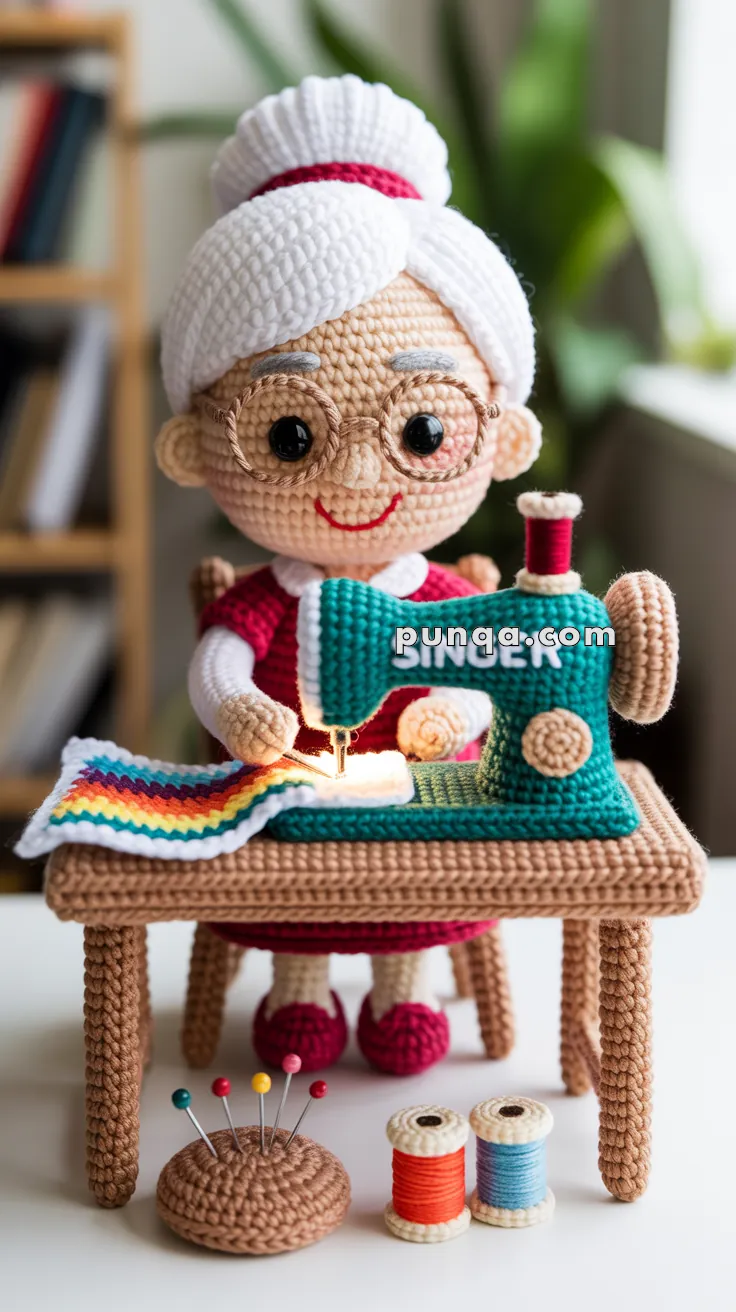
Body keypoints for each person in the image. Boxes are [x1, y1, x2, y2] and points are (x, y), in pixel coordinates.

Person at [156, 74, 542, 1075]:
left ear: (500, 440)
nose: (361, 479)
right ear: (196, 446)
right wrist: (239, 708)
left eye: (421, 432)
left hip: (419, 815)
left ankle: (401, 996)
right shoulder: (264, 601)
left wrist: (451, 710)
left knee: (414, 896)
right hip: (285, 812)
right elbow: (218, 665)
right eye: (290, 435)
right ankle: (300, 992)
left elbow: (478, 678)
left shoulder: (444, 600)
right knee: (298, 898)